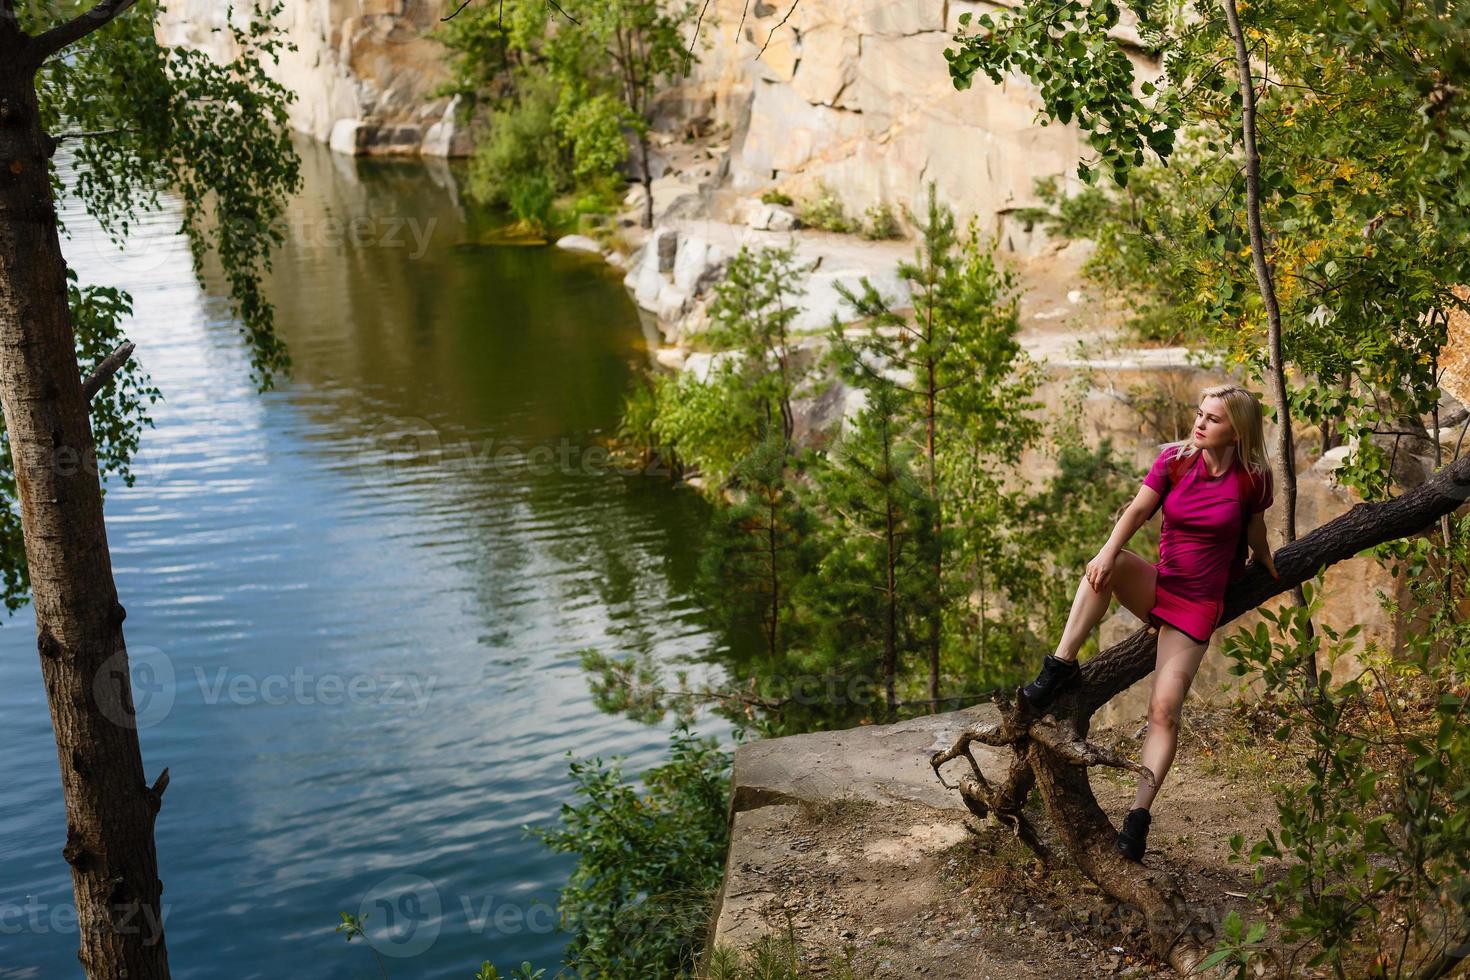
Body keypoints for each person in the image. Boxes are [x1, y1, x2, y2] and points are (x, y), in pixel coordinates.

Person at [1019, 383, 1278, 862]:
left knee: (1164, 711)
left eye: (1212, 419)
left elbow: (1254, 530)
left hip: (1198, 606)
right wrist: (1106, 552)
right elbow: (1137, 511)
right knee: (1107, 567)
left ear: (1237, 429)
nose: (1199, 424)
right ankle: (1060, 665)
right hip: (1160, 585)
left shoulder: (1253, 479)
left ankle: (1138, 817)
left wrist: (1270, 564)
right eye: (1199, 414)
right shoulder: (1174, 461)